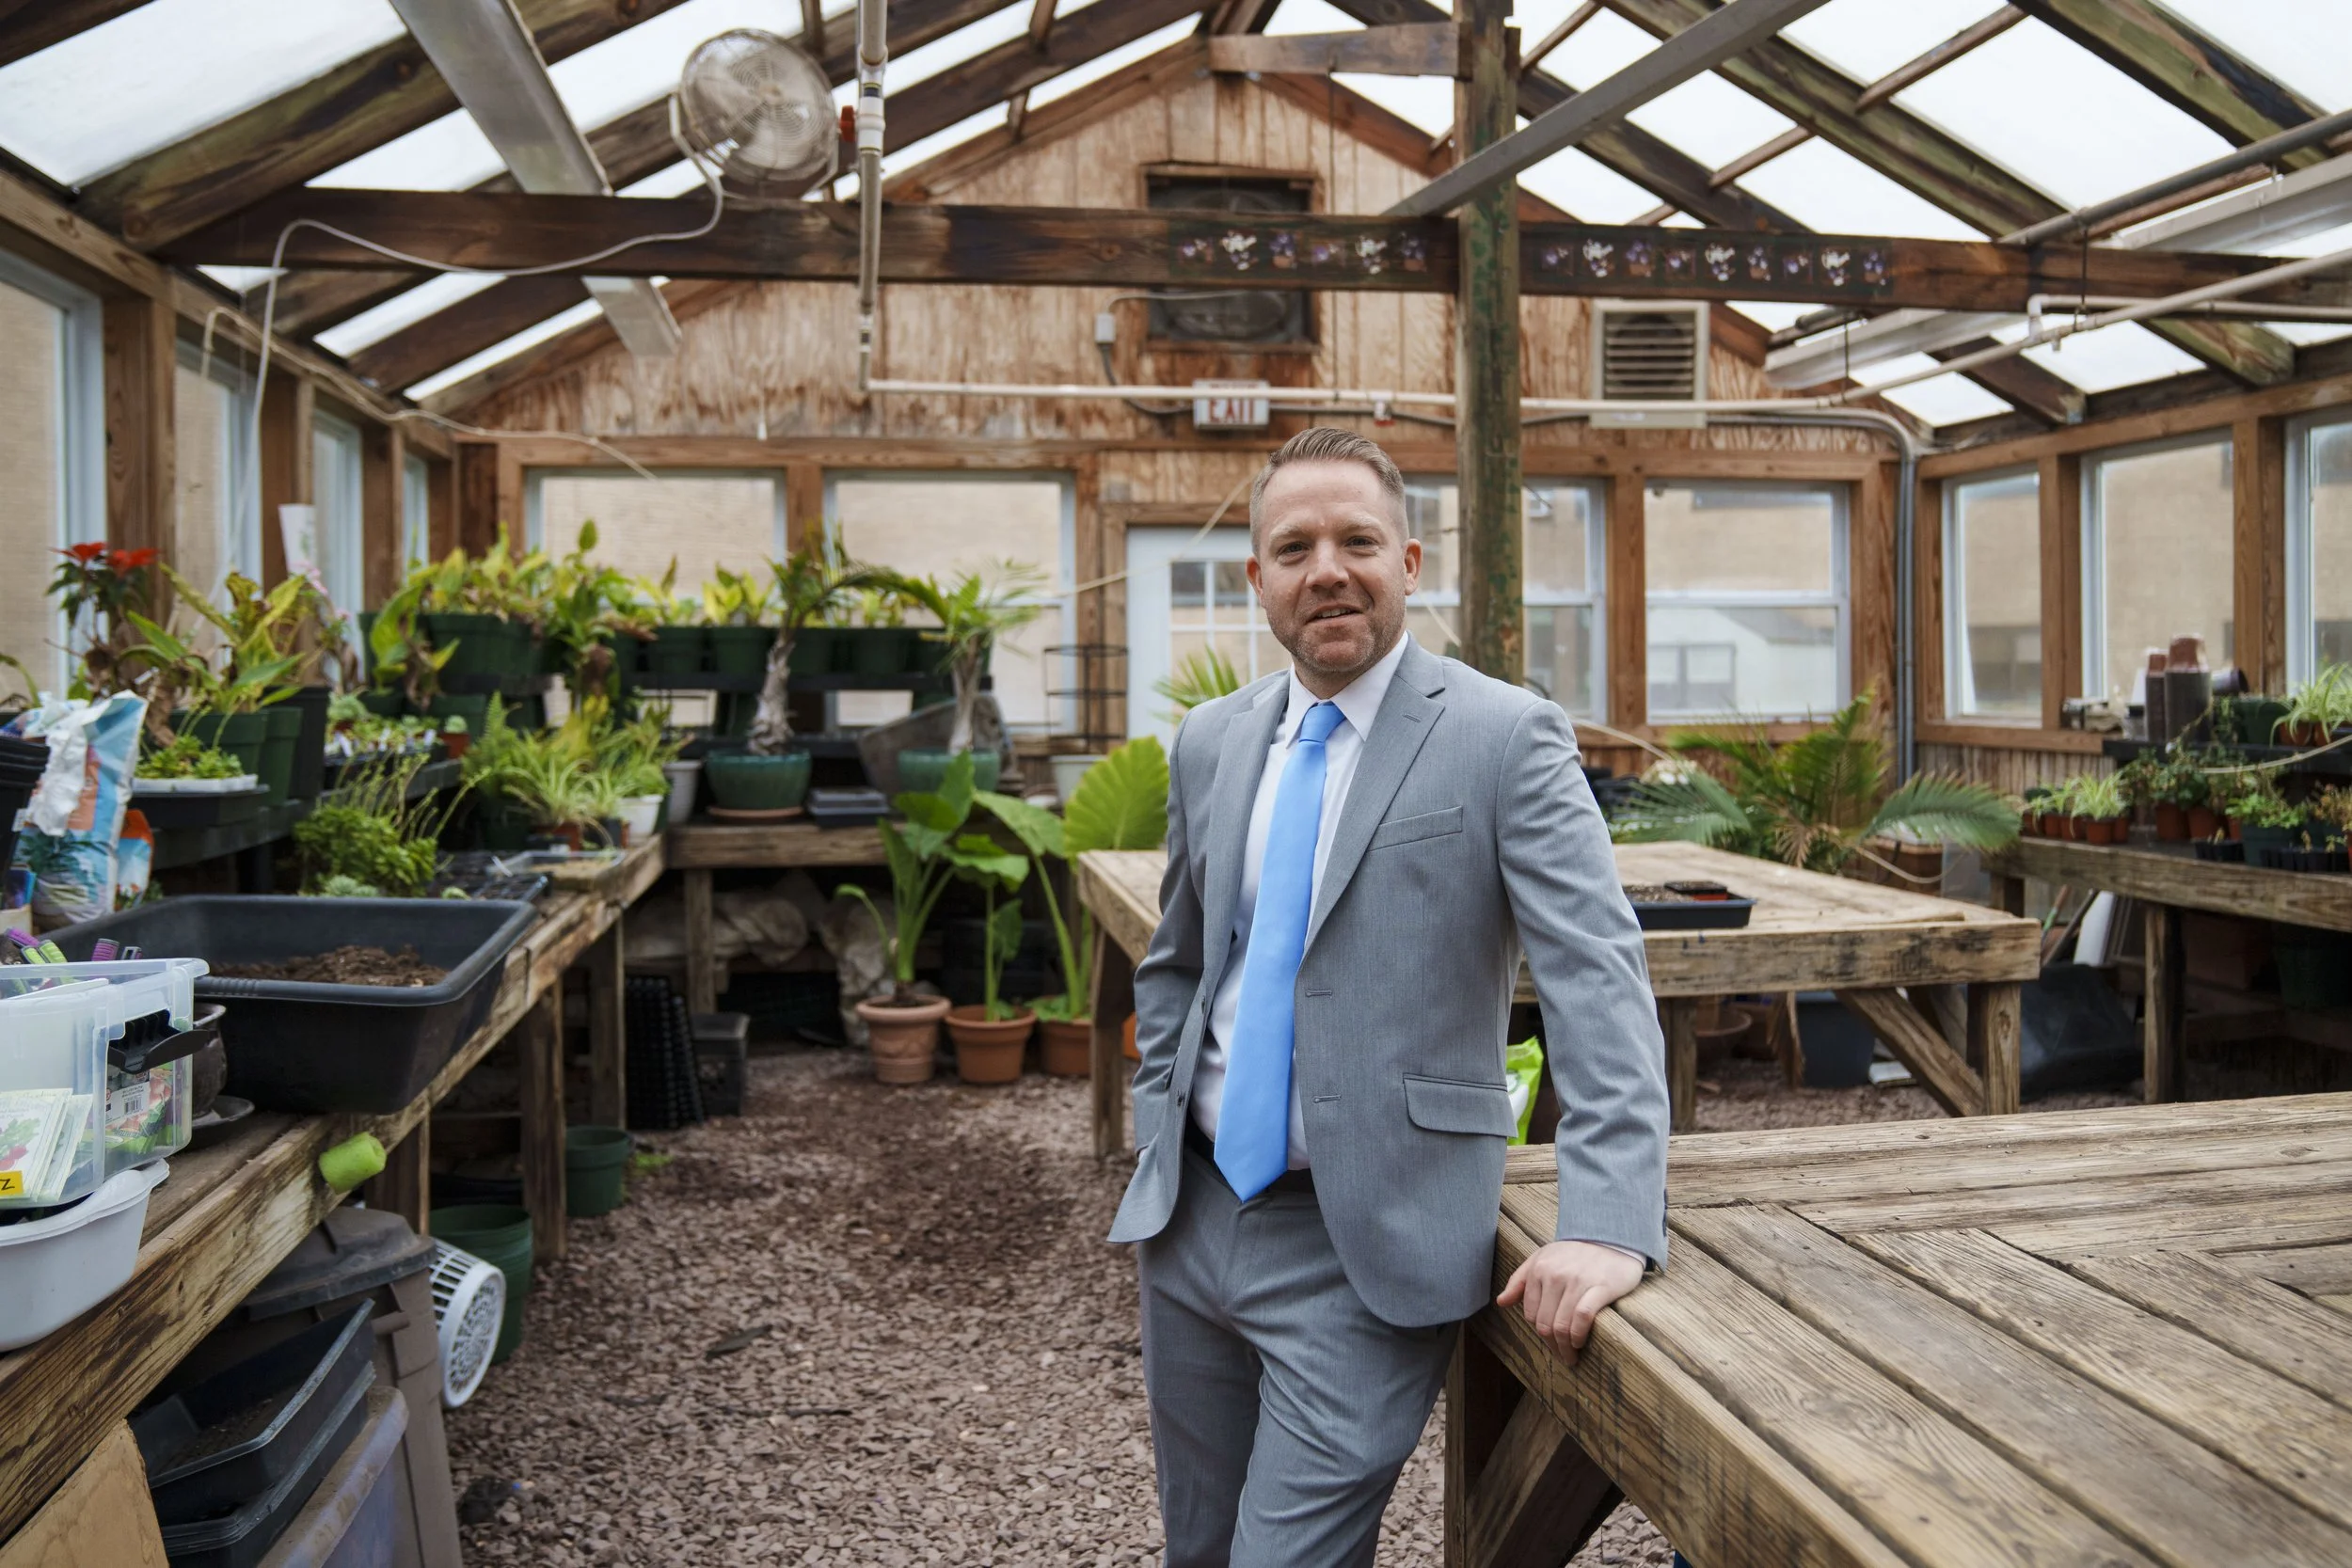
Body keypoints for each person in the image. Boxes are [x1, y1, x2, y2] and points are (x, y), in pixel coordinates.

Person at [1109, 426, 1671, 1566]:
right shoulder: (1211, 741)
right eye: (1295, 545)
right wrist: (1153, 1120)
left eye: (1356, 539)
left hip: (1367, 1241)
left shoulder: (1503, 735)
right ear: (1257, 578)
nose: (1328, 567)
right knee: (1200, 1550)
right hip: (1193, 1221)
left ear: (1409, 562)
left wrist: (1610, 1222)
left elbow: (1596, 982)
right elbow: (1178, 961)